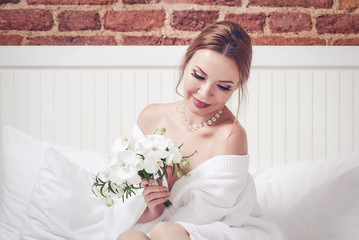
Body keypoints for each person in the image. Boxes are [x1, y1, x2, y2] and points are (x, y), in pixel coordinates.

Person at [106, 21, 286, 240]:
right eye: (199, 76)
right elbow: (126, 201)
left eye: (223, 86)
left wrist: (160, 223)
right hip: (154, 224)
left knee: (165, 233)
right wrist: (150, 211)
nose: (204, 93)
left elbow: (203, 215)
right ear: (186, 61)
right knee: (129, 238)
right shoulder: (151, 117)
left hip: (211, 227)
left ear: (238, 85)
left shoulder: (230, 137)